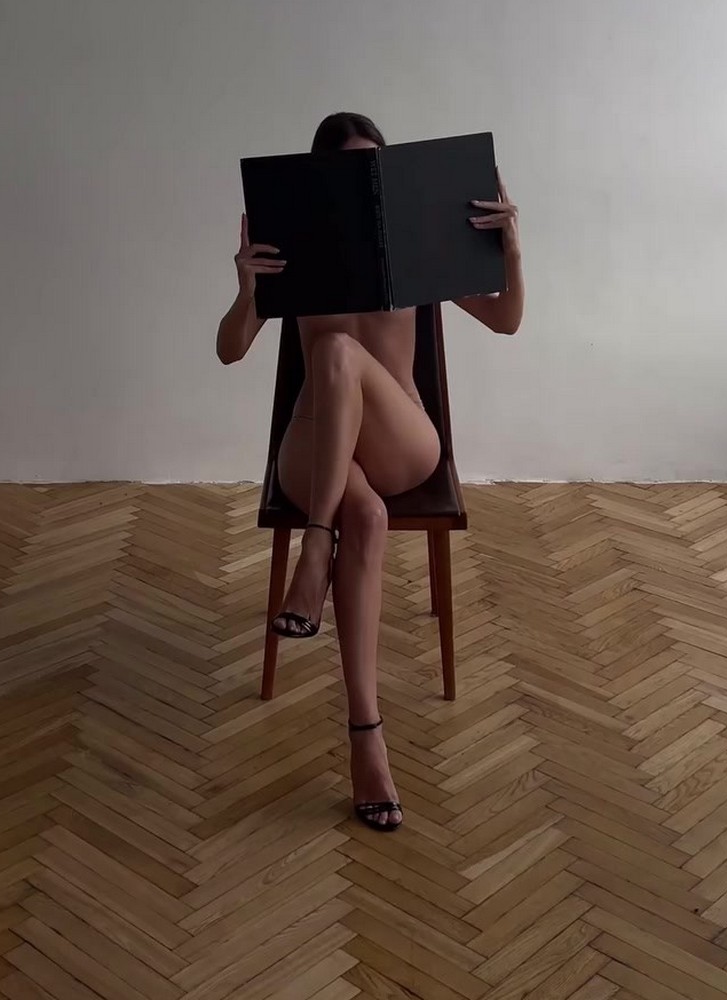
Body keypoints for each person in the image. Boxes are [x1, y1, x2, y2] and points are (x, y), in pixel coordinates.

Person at [217, 112, 523, 832]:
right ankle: (367, 739)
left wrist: (512, 250)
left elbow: (505, 320)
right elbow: (230, 349)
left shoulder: (411, 246)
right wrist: (247, 290)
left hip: (399, 442)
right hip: (315, 447)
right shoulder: (296, 251)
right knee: (370, 515)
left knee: (336, 353)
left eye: (370, 170)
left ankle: (314, 547)